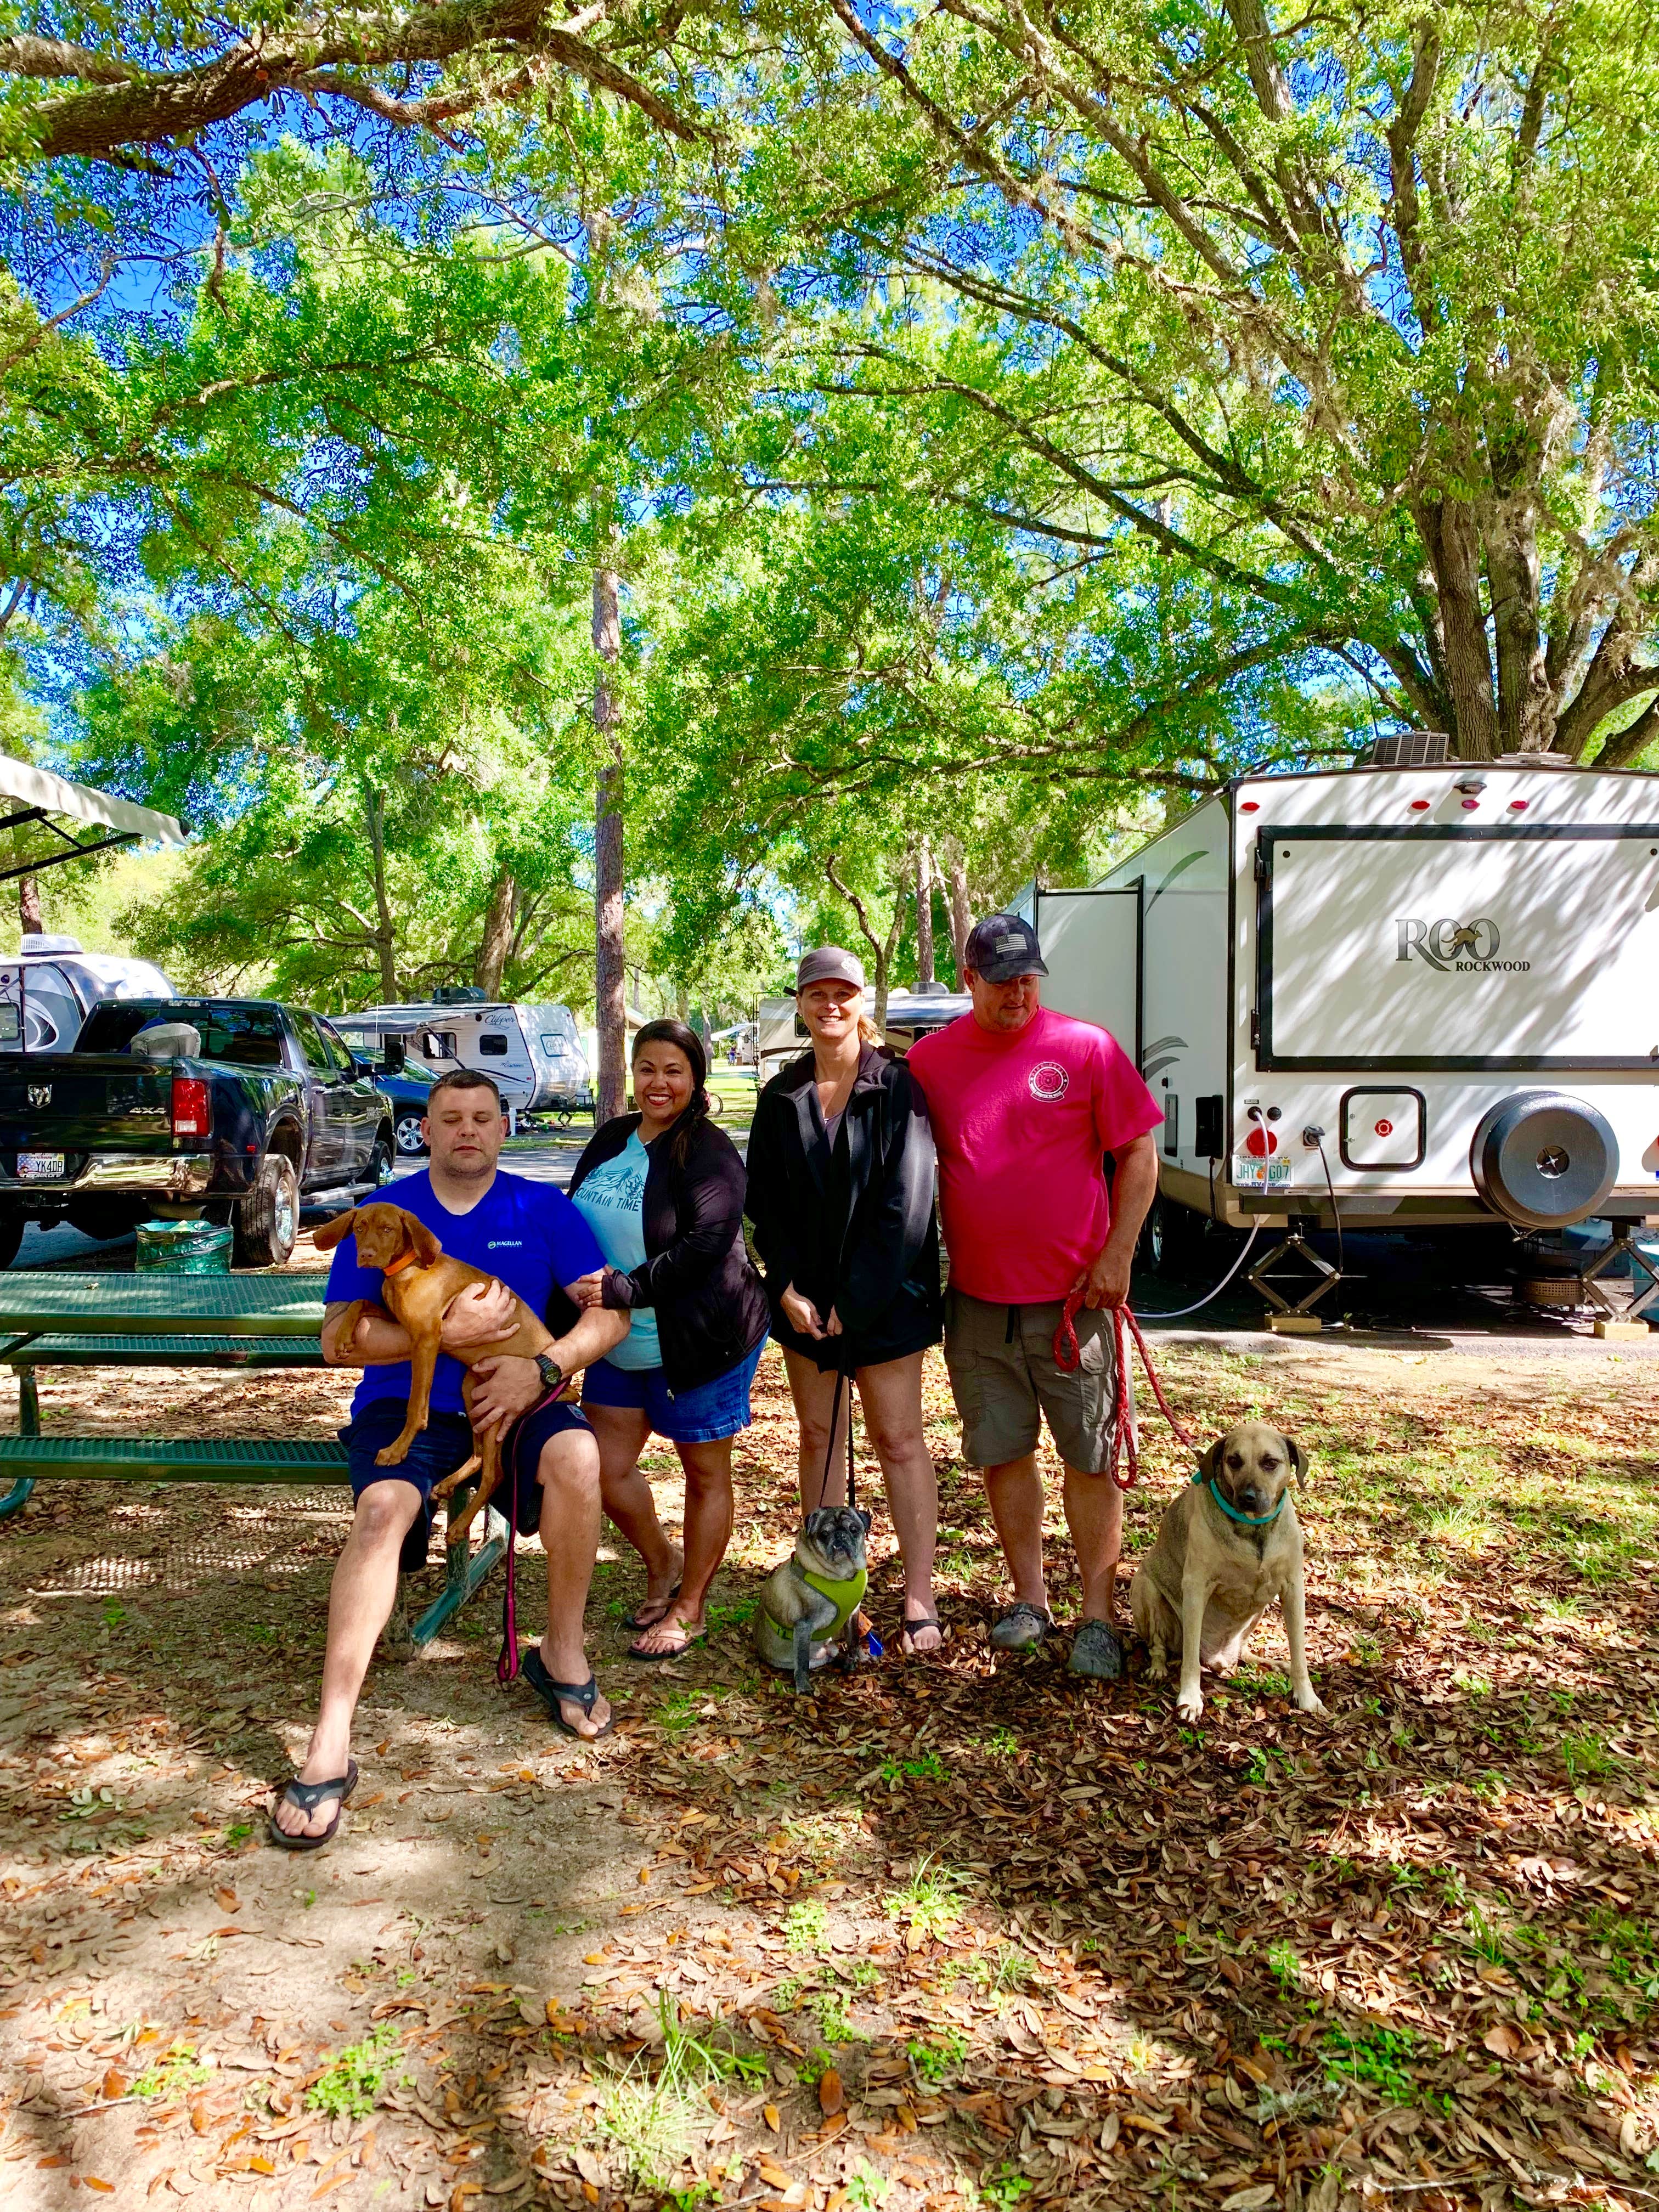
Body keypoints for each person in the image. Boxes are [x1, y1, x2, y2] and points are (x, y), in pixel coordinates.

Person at [270, 1069, 629, 1849]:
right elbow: (339, 1338)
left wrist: (544, 1366)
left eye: (482, 1118)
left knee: (577, 1456)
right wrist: (445, 1338)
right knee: (381, 1513)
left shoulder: (541, 1208)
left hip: (518, 1399)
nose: (467, 1130)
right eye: (450, 1119)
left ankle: (560, 1650)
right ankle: (331, 1735)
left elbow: (611, 1317)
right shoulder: (386, 1215)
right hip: (406, 1411)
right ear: (424, 1132)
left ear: (504, 1129)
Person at [906, 912, 1161, 1679]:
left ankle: (1096, 1614)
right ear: (968, 980)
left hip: (1074, 1305)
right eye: (1001, 978)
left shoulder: (1086, 1048)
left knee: (1090, 1459)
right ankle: (1029, 1599)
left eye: (1028, 978)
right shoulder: (930, 1063)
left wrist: (1118, 1254)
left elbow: (1139, 1154)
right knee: (1003, 1456)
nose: (1018, 992)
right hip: (980, 1306)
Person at [745, 947, 945, 1656]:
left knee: (898, 1440)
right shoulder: (779, 1095)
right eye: (817, 994)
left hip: (888, 1302)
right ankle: (831, 1593)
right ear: (799, 1003)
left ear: (866, 1003)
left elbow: (907, 1206)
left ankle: (918, 1596)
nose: (831, 1006)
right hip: (806, 1307)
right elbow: (764, 1207)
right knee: (818, 1436)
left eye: (844, 994)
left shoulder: (898, 1086)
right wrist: (789, 1289)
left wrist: (854, 1304)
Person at [567, 1020, 771, 1661]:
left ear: (695, 1079)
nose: (659, 1083)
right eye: (648, 1068)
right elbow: (570, 1215)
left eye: (674, 1070)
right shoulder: (610, 1138)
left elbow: (707, 1246)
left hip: (700, 1339)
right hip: (616, 1338)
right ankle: (663, 1561)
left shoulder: (708, 1152)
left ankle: (691, 1606)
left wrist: (625, 1289)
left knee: (704, 1475)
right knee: (605, 1468)